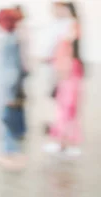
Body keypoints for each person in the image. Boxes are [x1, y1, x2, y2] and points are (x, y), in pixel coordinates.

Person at [0, 9, 28, 170]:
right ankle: (8, 152)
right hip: (6, 86)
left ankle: (10, 154)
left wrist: (9, 92)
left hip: (6, 88)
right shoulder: (12, 38)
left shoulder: (9, 40)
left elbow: (12, 68)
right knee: (6, 120)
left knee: (7, 120)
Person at [44, 1, 83, 156]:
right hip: (64, 70)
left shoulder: (71, 27)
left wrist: (62, 68)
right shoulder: (64, 27)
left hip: (68, 71)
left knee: (67, 107)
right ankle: (62, 142)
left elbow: (66, 47)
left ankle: (65, 142)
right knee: (64, 107)